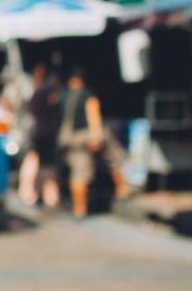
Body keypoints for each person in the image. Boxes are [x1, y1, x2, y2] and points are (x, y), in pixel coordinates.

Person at [57, 68, 129, 218]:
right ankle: (122, 188)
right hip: (85, 136)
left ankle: (79, 209)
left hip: (67, 139)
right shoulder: (87, 95)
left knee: (77, 172)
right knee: (114, 157)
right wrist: (96, 136)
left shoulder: (62, 95)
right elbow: (93, 115)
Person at [18, 63, 61, 208]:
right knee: (44, 165)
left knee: (38, 164)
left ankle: (36, 194)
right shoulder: (47, 92)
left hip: (38, 134)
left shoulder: (39, 91)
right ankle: (46, 196)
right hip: (45, 134)